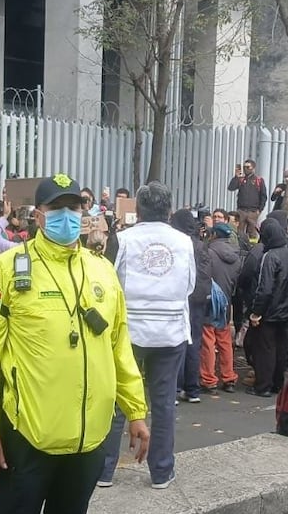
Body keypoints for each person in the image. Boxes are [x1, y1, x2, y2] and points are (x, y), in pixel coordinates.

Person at [0, 173, 149, 514]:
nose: (68, 216)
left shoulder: (102, 272)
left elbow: (119, 345)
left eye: (75, 208)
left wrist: (135, 410)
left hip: (87, 441)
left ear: (85, 213)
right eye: (57, 209)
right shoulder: (7, 269)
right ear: (39, 216)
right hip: (27, 438)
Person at [100, 181, 195, 490]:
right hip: (171, 331)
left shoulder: (123, 239)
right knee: (165, 403)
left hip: (130, 331)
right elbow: (190, 285)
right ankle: (162, 472)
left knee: (116, 400)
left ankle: (103, 471)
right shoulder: (184, 241)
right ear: (168, 210)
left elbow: (109, 280)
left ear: (137, 210)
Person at [246, 218, 288, 396]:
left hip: (270, 312)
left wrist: (256, 312)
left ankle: (263, 386)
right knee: (281, 349)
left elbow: (265, 288)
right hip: (287, 311)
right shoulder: (286, 252)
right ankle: (278, 383)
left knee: (265, 351)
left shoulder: (269, 256)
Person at [170, 209, 212, 404]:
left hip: (180, 297)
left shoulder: (176, 244)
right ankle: (192, 389)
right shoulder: (201, 245)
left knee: (177, 341)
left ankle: (176, 388)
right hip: (199, 299)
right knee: (194, 342)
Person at [200, 223, 242, 393]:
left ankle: (209, 379)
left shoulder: (208, 253)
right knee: (224, 339)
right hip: (226, 301)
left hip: (209, 301)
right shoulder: (236, 256)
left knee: (208, 340)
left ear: (214, 235)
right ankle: (229, 377)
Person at [226, 159, 268, 239]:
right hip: (241, 210)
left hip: (253, 211)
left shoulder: (258, 180)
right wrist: (236, 177)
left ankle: (252, 247)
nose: (246, 169)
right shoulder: (241, 179)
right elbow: (231, 188)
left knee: (252, 232)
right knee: (239, 231)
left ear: (253, 168)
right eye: (244, 167)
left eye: (248, 167)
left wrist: (260, 209)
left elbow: (263, 196)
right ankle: (239, 247)